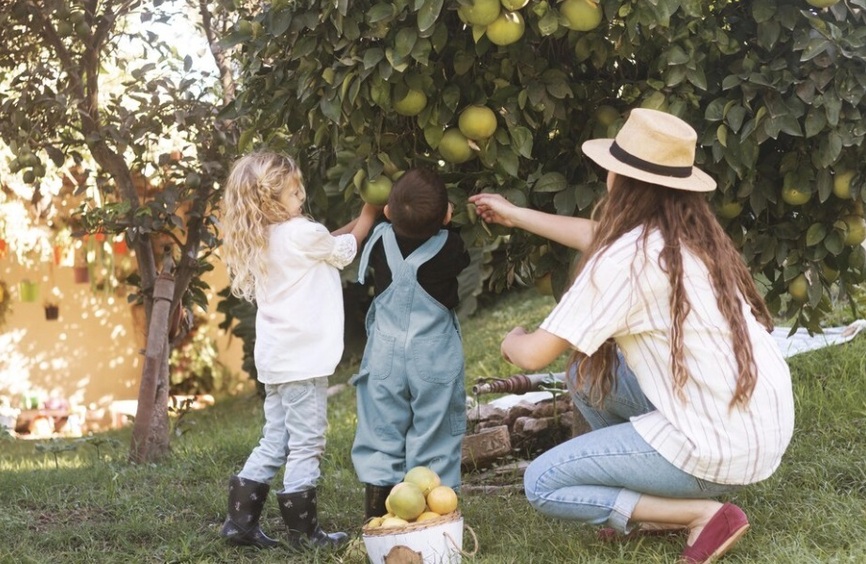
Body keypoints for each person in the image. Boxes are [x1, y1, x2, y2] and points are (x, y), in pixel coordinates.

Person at [468, 109, 794, 564]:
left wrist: (511, 338)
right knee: (585, 375)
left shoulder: (624, 262)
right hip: (758, 427)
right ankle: (662, 506)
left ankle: (701, 514)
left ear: (618, 178)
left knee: (542, 482)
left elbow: (531, 355)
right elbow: (596, 235)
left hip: (715, 445)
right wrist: (515, 214)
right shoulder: (689, 236)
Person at [218, 151, 379, 550]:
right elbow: (343, 249)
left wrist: (355, 223)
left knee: (274, 440)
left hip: (277, 360)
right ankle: (304, 535)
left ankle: (239, 525)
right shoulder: (303, 234)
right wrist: (370, 213)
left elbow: (327, 242)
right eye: (293, 192)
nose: (301, 196)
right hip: (304, 362)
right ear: (270, 199)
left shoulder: (265, 238)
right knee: (307, 443)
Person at [351, 168, 471, 520]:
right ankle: (432, 517)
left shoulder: (378, 240)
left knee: (381, 429)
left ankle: (378, 515)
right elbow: (459, 257)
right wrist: (446, 222)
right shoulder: (450, 246)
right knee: (434, 430)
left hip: (384, 357)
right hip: (433, 356)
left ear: (388, 211)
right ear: (447, 215)